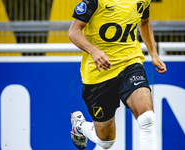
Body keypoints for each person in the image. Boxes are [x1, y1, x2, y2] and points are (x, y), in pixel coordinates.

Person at [69, 0, 167, 149]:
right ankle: (81, 126)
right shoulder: (94, 1)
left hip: (130, 63)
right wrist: (94, 50)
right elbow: (74, 31)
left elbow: (145, 22)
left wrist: (154, 54)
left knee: (147, 119)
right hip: (99, 72)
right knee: (106, 142)